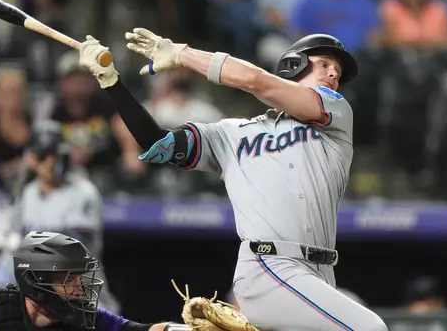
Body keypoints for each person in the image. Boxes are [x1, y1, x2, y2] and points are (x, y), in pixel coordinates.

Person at [77, 30, 388, 331]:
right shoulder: (232, 134)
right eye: (324, 64)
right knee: (369, 328)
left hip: (319, 273)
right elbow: (156, 143)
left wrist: (183, 55)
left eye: (338, 71)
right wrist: (111, 82)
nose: (334, 74)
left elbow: (258, 82)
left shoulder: (336, 114)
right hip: (268, 267)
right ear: (294, 66)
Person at [0, 120, 120, 314]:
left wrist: (21, 244)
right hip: (38, 282)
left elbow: (74, 246)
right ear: (32, 159)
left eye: (55, 155)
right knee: (6, 261)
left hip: (77, 282)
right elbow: (2, 234)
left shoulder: (83, 191)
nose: (51, 162)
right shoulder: (28, 192)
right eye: (44, 155)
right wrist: (5, 236)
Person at [0, 231, 188, 331]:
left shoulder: (87, 320)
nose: (80, 287)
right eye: (69, 279)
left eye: (80, 278)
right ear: (36, 281)